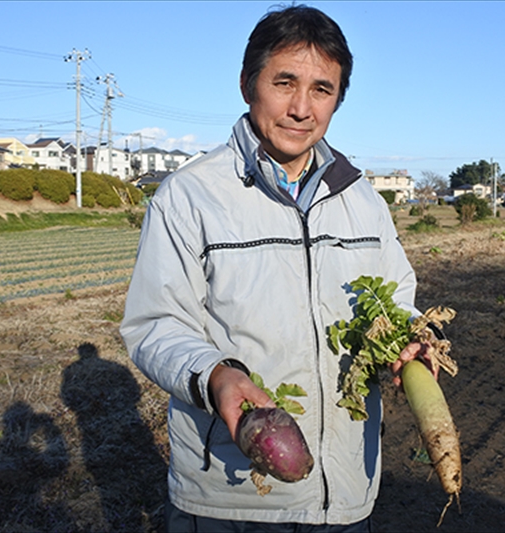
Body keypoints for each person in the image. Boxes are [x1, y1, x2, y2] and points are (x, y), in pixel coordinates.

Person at [121, 5, 434, 531]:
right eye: (284, 82)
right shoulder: (190, 196)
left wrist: (409, 336)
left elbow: (396, 297)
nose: (301, 108)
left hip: (346, 493)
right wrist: (216, 375)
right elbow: (155, 325)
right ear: (248, 85)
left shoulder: (361, 199)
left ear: (338, 99)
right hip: (231, 497)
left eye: (322, 89)